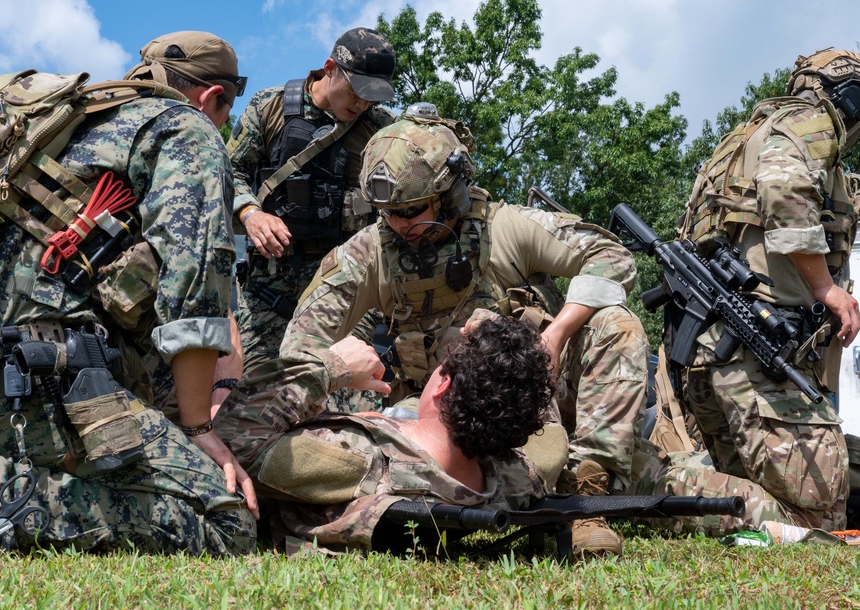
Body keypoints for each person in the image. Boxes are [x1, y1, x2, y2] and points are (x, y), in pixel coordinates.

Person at [0, 31, 259, 555]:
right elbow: (194, 282)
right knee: (227, 527)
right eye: (223, 113)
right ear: (213, 98)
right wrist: (198, 427)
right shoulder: (182, 127)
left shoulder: (55, 129)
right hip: (26, 384)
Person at [266, 106, 649, 557]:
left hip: (549, 401)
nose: (398, 225)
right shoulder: (369, 253)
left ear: (450, 192)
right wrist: (330, 381)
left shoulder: (504, 227)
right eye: (386, 213)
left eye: (411, 210)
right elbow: (302, 345)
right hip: (447, 422)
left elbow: (612, 256)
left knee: (617, 325)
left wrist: (557, 334)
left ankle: (588, 499)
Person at [630, 48, 860, 534]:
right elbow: (784, 192)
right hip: (757, 349)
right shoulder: (811, 125)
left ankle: (672, 486)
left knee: (750, 482)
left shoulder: (747, 136)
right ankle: (654, 482)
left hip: (715, 349)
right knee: (822, 520)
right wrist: (826, 289)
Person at [214, 313, 555, 554]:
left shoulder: (359, 457)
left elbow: (233, 443)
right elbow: (552, 442)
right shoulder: (514, 479)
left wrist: (333, 365)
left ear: (443, 386)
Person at [225, 27, 397, 393]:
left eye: (372, 97)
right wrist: (251, 213)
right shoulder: (269, 107)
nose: (362, 104)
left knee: (342, 402)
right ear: (330, 68)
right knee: (258, 397)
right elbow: (228, 172)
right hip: (270, 287)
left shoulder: (381, 129)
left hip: (346, 290)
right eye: (356, 91)